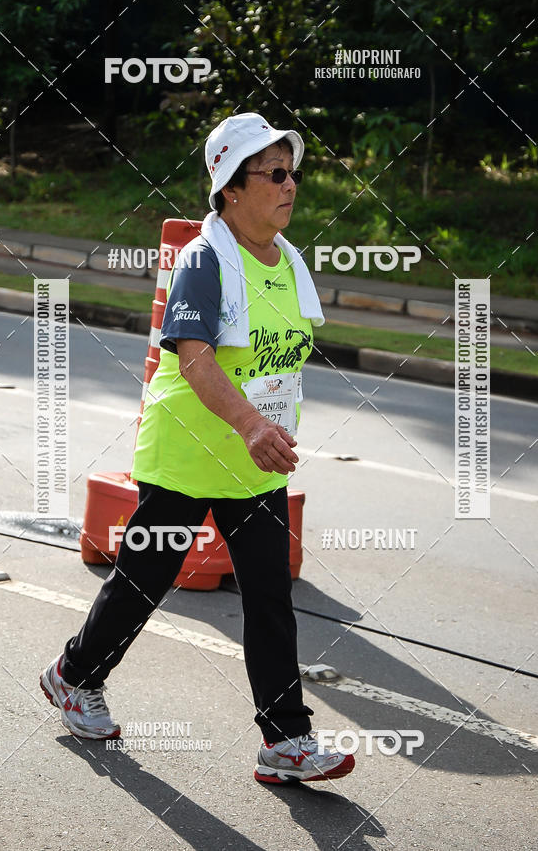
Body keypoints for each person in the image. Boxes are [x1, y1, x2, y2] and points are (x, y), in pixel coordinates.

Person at [40, 111, 355, 784]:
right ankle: (74, 675)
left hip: (253, 465)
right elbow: (195, 360)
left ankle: (285, 742)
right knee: (140, 585)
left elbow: (276, 363)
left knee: (269, 597)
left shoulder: (288, 262)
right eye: (274, 173)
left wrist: (267, 428)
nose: (289, 184)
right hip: (186, 456)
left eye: (292, 172)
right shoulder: (204, 260)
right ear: (231, 189)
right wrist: (254, 425)